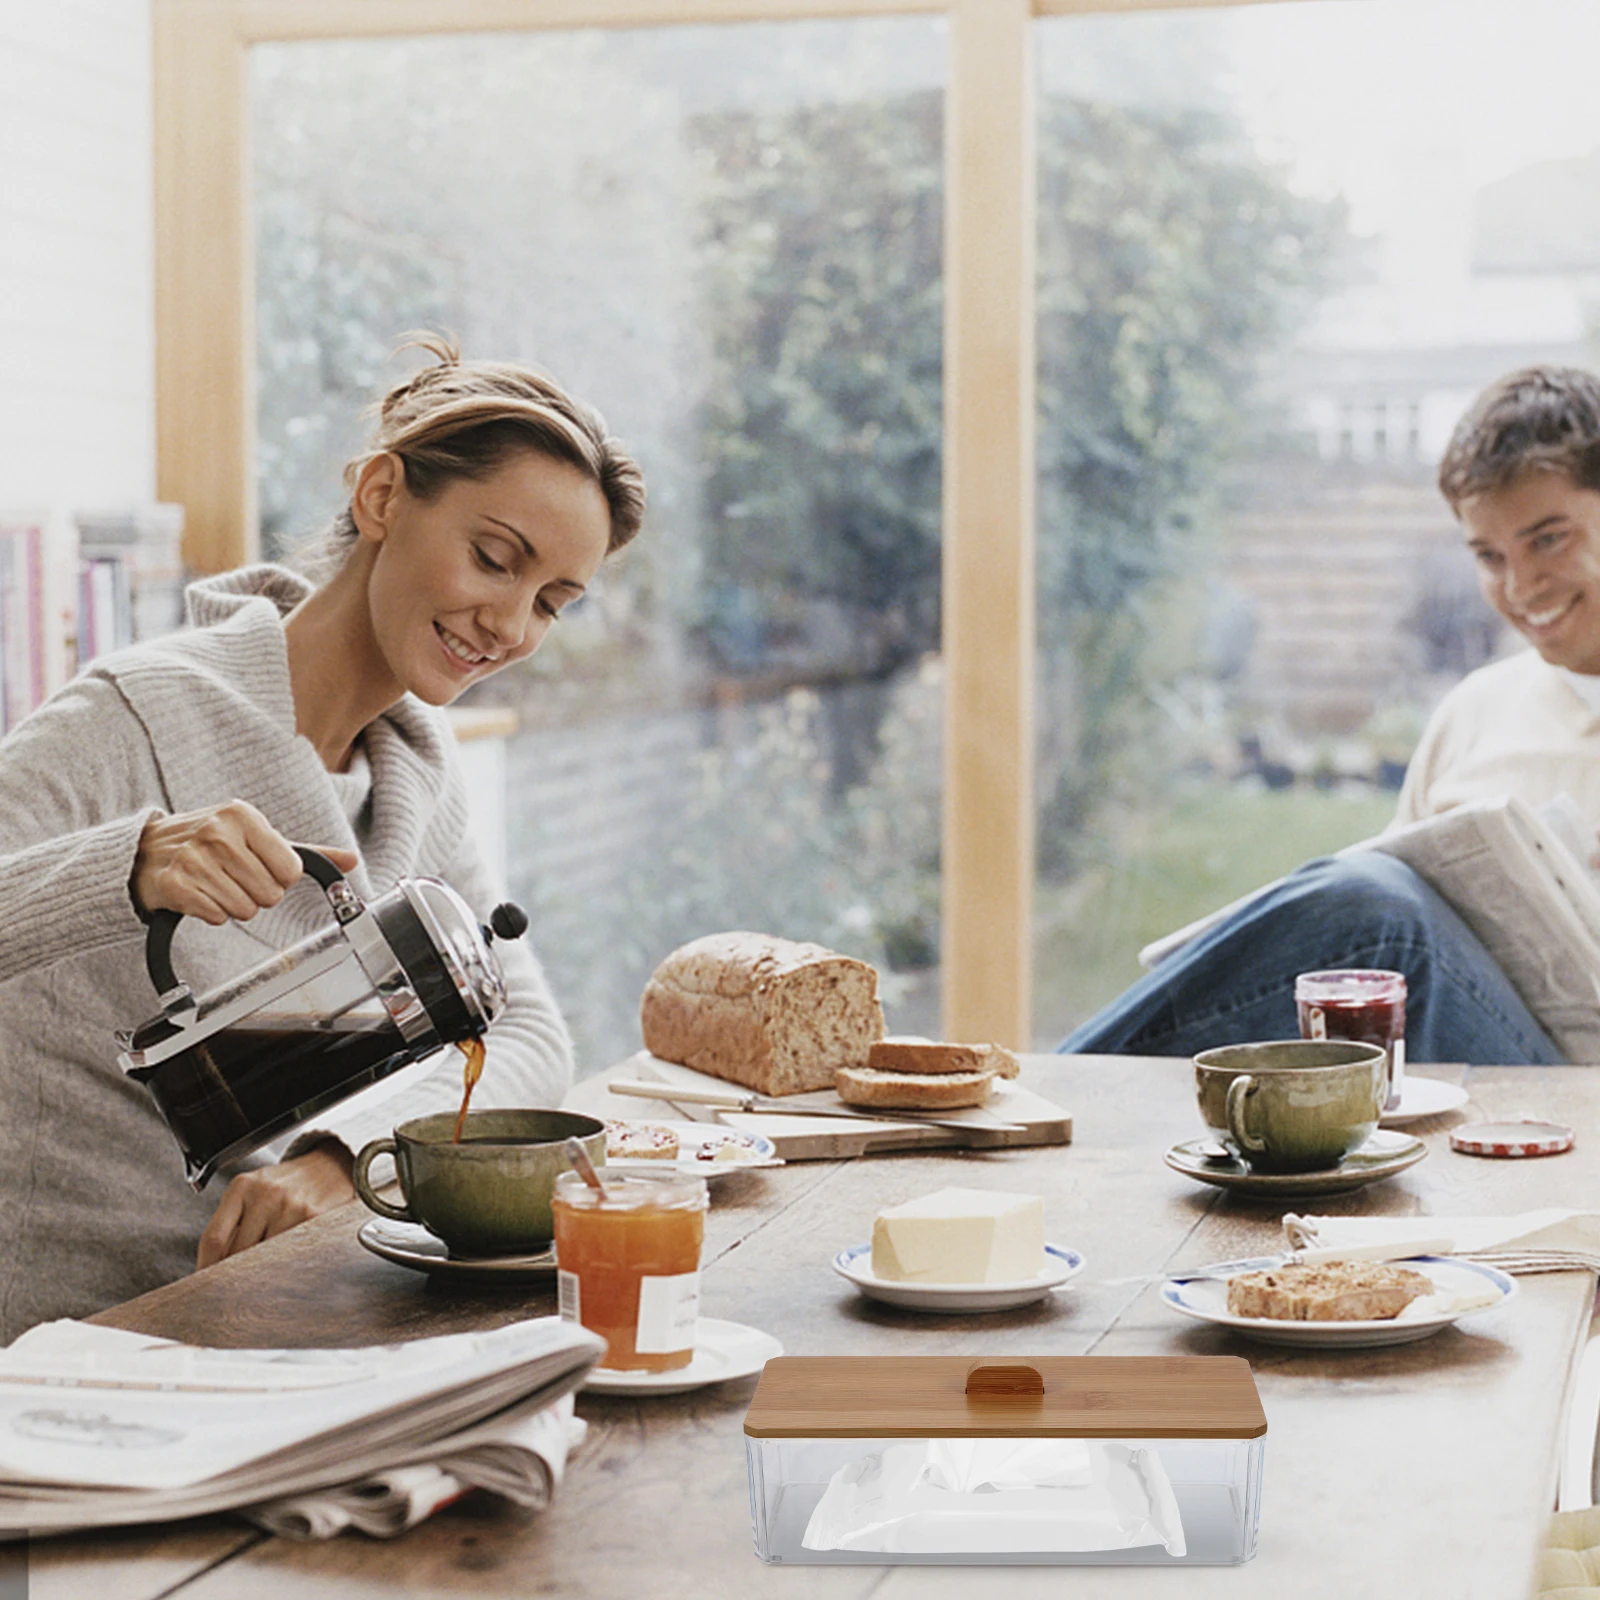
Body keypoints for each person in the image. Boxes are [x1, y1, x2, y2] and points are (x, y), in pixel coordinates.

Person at [0, 336, 644, 1341]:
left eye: (551, 602)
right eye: (494, 558)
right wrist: (125, 865)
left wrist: (347, 1154)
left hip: (283, 1312)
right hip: (67, 1339)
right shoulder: (138, 714)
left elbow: (527, 1032)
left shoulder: (417, 772)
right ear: (383, 496)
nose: (511, 625)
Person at [1059, 363, 1600, 1067]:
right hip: (1467, 1071)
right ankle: (1057, 1097)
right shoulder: (1477, 711)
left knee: (1381, 920)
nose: (1521, 585)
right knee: (1374, 917)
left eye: (1549, 538)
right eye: (1489, 556)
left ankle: (1045, 1095)